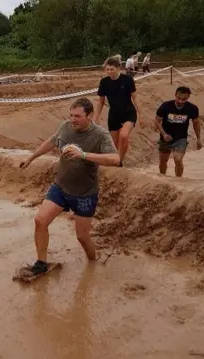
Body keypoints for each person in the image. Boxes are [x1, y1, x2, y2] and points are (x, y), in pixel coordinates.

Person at [19, 98, 120, 275]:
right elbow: (52, 141)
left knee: (82, 236)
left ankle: (92, 265)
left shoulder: (100, 135)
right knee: (40, 221)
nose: (72, 119)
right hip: (60, 187)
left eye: (77, 116)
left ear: (89, 116)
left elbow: (115, 159)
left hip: (84, 193)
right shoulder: (66, 126)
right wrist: (31, 158)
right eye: (71, 115)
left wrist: (83, 155)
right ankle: (41, 263)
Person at [93, 56, 143, 167]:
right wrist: (96, 117)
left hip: (129, 112)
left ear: (118, 68)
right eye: (107, 69)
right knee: (114, 143)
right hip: (114, 114)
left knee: (124, 136)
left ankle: (119, 160)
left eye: (112, 69)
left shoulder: (128, 79)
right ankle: (114, 162)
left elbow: (135, 97)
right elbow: (100, 101)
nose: (109, 72)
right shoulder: (104, 82)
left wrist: (141, 114)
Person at [155, 86, 202, 177]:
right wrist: (164, 134)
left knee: (178, 159)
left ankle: (178, 180)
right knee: (163, 161)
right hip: (165, 138)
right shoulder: (166, 106)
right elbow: (157, 121)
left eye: (183, 99)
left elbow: (196, 123)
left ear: (188, 97)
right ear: (175, 95)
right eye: (178, 98)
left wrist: (199, 138)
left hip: (181, 138)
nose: (180, 101)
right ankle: (162, 179)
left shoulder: (192, 108)